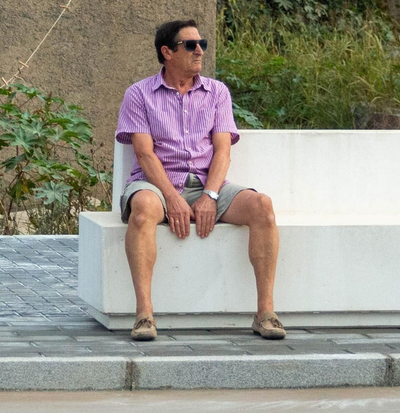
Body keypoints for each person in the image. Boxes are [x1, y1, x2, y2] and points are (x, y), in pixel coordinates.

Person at [115, 18, 283, 342]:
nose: (199, 51)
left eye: (201, 44)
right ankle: (144, 315)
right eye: (190, 45)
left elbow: (222, 151)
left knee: (262, 207)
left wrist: (210, 194)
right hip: (156, 184)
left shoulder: (216, 92)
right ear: (167, 52)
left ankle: (265, 313)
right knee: (143, 210)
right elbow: (145, 155)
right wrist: (173, 197)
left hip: (206, 183)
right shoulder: (139, 95)